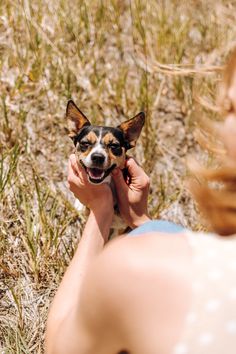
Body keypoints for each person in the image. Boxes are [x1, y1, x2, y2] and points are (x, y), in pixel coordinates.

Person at [45, 50, 236, 354]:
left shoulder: (136, 265)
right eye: (86, 145)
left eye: (230, 109)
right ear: (76, 142)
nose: (97, 154)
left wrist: (100, 210)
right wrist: (141, 220)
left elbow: (59, 347)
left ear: (126, 149)